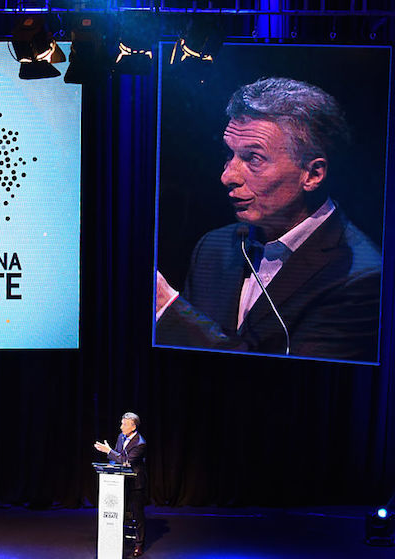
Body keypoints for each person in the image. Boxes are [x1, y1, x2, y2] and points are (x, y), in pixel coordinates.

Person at [155, 77, 381, 361]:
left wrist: (168, 309)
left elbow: (284, 381)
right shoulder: (213, 248)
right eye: (229, 155)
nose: (227, 176)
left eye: (253, 159)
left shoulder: (362, 278)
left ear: (313, 174)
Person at [94, 412, 148, 557]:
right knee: (120, 511)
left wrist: (108, 451)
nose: (121, 427)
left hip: (136, 482)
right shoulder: (121, 437)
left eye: (124, 424)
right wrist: (111, 463)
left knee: (137, 514)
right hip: (121, 481)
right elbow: (117, 456)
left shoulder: (140, 443)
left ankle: (139, 544)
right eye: (121, 423)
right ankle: (117, 538)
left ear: (133, 426)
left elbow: (126, 461)